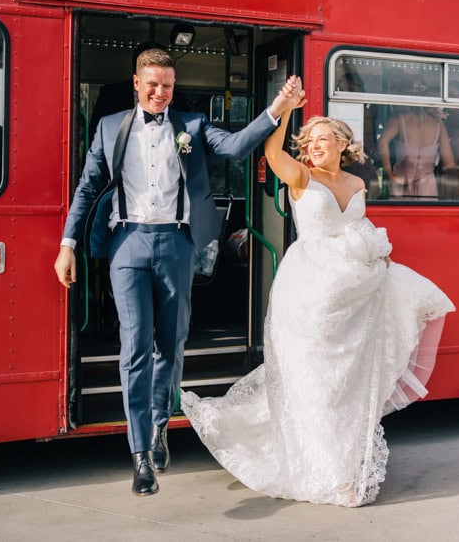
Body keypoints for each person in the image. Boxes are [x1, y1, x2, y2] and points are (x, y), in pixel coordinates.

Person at [181, 89, 455, 507]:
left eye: (321, 139)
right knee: (316, 386)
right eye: (308, 141)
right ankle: (327, 473)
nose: (313, 146)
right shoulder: (300, 177)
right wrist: (286, 110)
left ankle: (343, 466)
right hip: (310, 295)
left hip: (353, 297)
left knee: (345, 386)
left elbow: (359, 233)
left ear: (342, 144)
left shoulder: (357, 182)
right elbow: (273, 153)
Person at [54, 47, 302, 497]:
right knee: (134, 346)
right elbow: (88, 186)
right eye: (152, 83)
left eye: (167, 85)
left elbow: (236, 146)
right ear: (136, 82)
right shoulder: (110, 128)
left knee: (170, 344)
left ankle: (160, 424)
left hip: (177, 244)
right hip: (126, 243)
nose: (159, 92)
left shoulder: (191, 125)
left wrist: (277, 109)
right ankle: (140, 455)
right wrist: (67, 245)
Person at [377, 106, 457, 199]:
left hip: (402, 180)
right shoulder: (439, 125)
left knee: (399, 212)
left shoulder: (399, 119)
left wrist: (390, 174)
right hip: (428, 184)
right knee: (427, 212)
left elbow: (382, 142)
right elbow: (449, 163)